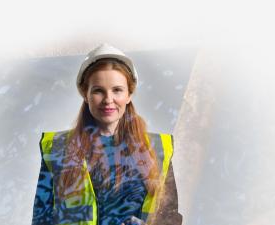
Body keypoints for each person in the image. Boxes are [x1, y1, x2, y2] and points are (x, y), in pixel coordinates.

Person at [31, 43, 183, 225]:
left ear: (129, 94)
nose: (108, 100)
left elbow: (170, 217)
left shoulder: (158, 148)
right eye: (98, 91)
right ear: (85, 95)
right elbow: (41, 218)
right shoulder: (57, 147)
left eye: (117, 90)